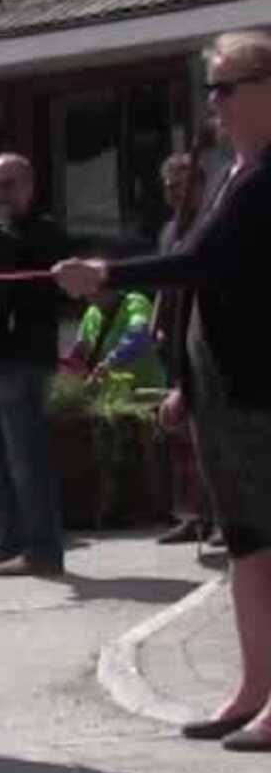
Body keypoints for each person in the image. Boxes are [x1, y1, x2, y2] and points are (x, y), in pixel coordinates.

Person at [56, 30, 271, 749]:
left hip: (262, 390)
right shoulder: (233, 174)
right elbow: (200, 286)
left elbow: (201, 263)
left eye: (226, 88)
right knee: (246, 543)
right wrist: (184, 380)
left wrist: (106, 274)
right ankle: (252, 689)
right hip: (224, 390)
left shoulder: (266, 179)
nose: (215, 105)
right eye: (210, 90)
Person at [0, 154, 69, 577]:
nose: (0, 195)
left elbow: (44, 283)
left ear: (29, 186)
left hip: (25, 360)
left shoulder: (44, 232)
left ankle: (43, 549)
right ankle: (5, 539)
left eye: (9, 184)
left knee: (28, 462)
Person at [152, 152, 214, 545]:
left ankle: (219, 518)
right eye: (169, 187)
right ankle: (193, 515)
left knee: (207, 434)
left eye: (183, 185)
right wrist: (156, 323)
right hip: (172, 338)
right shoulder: (168, 231)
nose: (176, 193)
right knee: (180, 436)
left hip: (202, 338)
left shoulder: (210, 225)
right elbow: (163, 281)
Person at [66, 285, 166, 389]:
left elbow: (138, 336)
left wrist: (108, 364)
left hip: (145, 386)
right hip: (112, 391)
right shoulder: (91, 313)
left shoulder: (135, 302)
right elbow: (80, 351)